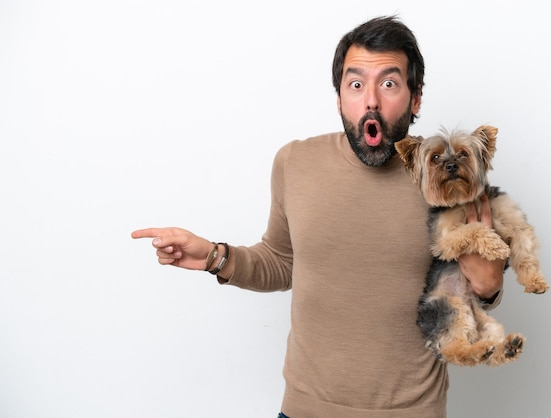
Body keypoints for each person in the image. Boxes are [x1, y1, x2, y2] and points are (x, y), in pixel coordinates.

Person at [132, 15, 505, 418]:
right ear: (339, 97)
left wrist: (489, 288)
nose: (372, 101)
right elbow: (281, 262)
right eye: (356, 84)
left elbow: (475, 281)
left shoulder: (448, 179)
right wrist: (214, 256)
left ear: (415, 99)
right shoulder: (296, 163)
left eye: (390, 83)